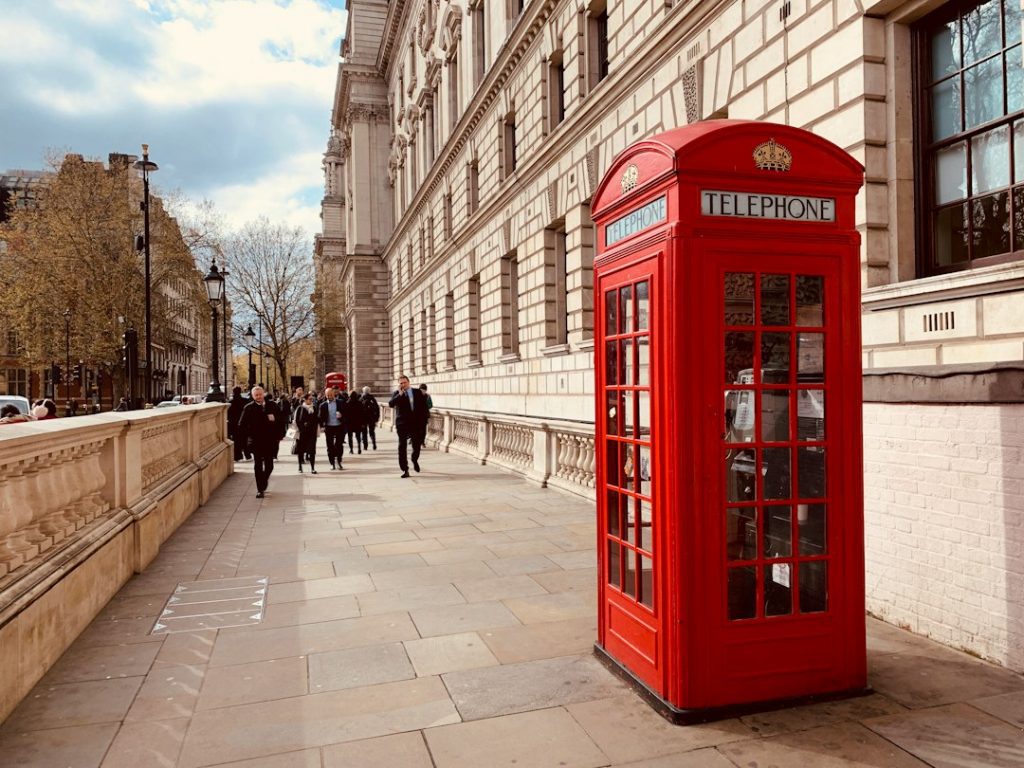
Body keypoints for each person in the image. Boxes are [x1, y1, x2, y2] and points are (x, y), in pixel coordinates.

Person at [237, 386, 286, 498]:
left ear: (263, 393)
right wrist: (249, 434)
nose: (258, 397)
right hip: (256, 441)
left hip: (270, 440)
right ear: (253, 396)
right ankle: (260, 489)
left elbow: (281, 420)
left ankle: (263, 480)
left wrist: (275, 422)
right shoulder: (248, 408)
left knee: (269, 465)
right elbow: (241, 425)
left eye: (260, 394)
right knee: (258, 464)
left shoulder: (273, 405)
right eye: (256, 395)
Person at [388, 374, 428, 478]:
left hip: (415, 423)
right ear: (399, 384)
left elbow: (424, 407)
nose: (403, 384)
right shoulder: (397, 393)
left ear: (408, 382)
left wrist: (423, 422)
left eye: (405, 382)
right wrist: (400, 395)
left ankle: (414, 459)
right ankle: (405, 469)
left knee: (416, 445)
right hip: (402, 424)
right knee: (402, 446)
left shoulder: (417, 392)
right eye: (401, 383)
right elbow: (391, 404)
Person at [317, 387, 346, 470]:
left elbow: (346, 413)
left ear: (334, 394)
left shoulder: (340, 402)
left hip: (339, 426)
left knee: (339, 445)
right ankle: (332, 463)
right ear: (325, 395)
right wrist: (322, 426)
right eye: (327, 395)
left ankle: (339, 461)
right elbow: (320, 417)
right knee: (330, 446)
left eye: (331, 394)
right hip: (329, 427)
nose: (329, 396)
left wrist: (341, 416)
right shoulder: (323, 405)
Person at [294, 392, 319, 474]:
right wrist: (302, 427)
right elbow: (296, 421)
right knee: (301, 451)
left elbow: (317, 419)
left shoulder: (314, 408)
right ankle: (300, 466)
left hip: (312, 433)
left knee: (312, 451)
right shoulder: (300, 408)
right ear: (305, 399)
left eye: (312, 399)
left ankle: (312, 467)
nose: (311, 400)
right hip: (302, 433)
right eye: (310, 399)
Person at [227, 386, 247, 462]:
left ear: (233, 392)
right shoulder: (244, 401)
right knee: (242, 439)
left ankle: (237, 456)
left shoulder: (230, 402)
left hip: (233, 424)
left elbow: (228, 414)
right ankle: (242, 455)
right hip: (243, 423)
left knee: (235, 440)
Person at [344, 389, 364, 455]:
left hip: (350, 423)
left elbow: (345, 414)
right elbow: (362, 414)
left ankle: (351, 449)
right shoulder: (359, 403)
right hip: (358, 422)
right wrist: (362, 423)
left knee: (350, 437)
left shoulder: (347, 403)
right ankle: (359, 448)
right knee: (358, 436)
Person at [359, 386, 380, 450]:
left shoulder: (361, 399)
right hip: (371, 418)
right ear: (369, 391)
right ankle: (374, 444)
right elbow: (377, 408)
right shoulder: (372, 398)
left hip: (363, 419)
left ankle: (365, 446)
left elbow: (358, 410)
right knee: (372, 432)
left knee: (364, 433)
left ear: (363, 391)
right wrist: (377, 418)